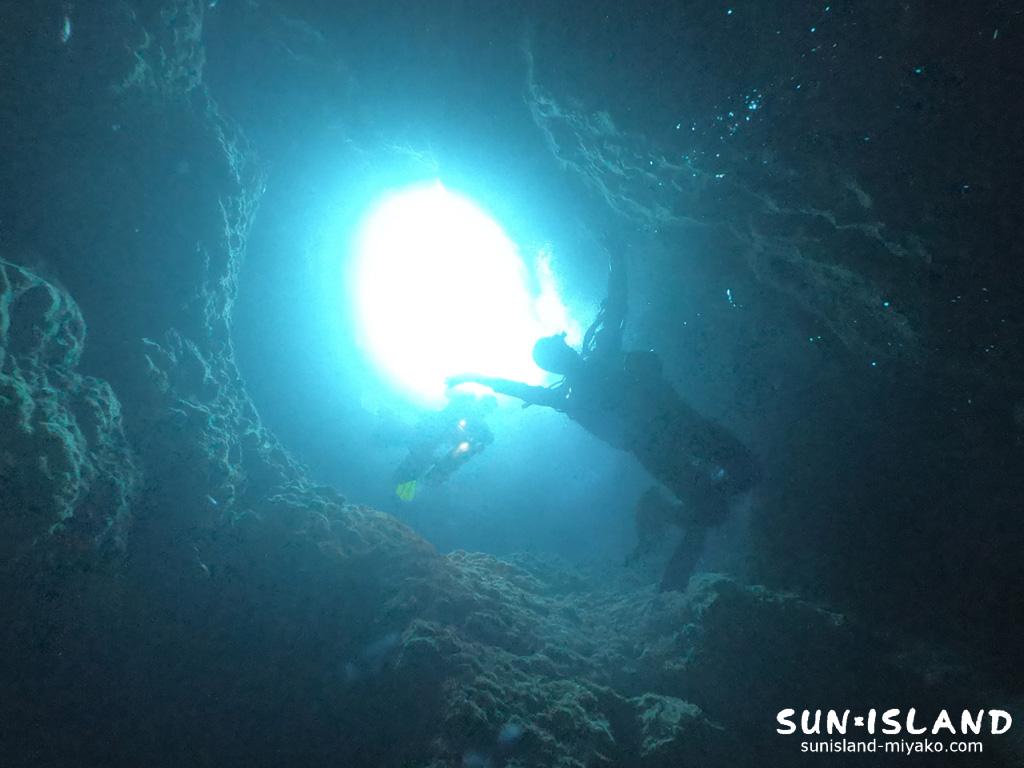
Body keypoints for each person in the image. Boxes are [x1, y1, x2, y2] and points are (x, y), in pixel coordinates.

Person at [448, 246, 759, 590]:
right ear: (559, 355)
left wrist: (473, 376)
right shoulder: (588, 371)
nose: (565, 348)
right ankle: (664, 510)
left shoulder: (574, 387)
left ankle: (673, 511)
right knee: (721, 500)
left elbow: (613, 307)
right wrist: (617, 257)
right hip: (667, 438)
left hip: (671, 432)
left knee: (735, 484)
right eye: (560, 348)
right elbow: (615, 306)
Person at [393, 391, 496, 501]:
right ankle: (397, 491)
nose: (484, 410)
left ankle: (405, 497)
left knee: (424, 479)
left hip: (445, 457)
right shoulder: (464, 408)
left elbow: (488, 439)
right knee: (410, 469)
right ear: (480, 403)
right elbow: (447, 404)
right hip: (432, 447)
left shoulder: (481, 427)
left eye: (487, 408)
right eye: (485, 406)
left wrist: (479, 442)